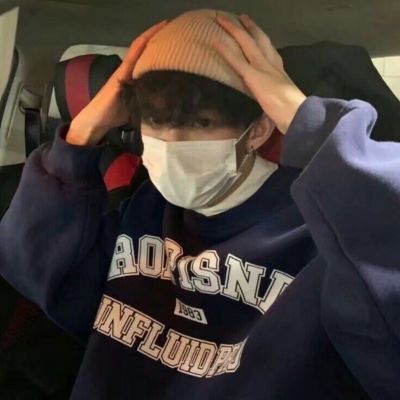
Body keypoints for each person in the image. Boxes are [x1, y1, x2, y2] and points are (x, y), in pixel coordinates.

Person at [0, 8, 398, 400]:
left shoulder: (320, 230)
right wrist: (84, 132)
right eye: (156, 120)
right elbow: (34, 268)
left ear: (258, 130)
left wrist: (307, 122)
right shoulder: (147, 207)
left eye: (201, 122)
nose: (171, 143)